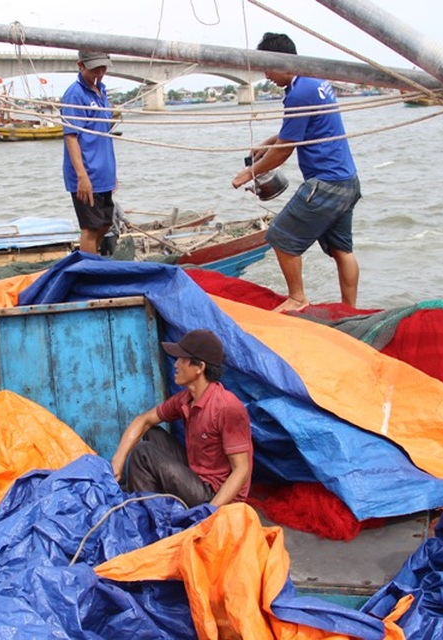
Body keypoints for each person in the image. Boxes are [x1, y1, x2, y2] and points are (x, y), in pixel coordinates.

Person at [232, 32, 362, 312]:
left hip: (326, 183)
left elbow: (285, 150)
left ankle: (297, 298)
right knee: (342, 251)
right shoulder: (314, 81)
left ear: (281, 61)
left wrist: (248, 174)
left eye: (267, 67)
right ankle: (351, 309)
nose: (266, 75)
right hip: (348, 180)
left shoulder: (299, 93)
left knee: (280, 237)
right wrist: (268, 142)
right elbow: (303, 129)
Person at [110, 329, 252, 508]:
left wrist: (209, 512)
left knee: (143, 452)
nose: (175, 365)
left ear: (199, 367)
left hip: (216, 494)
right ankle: (153, 505)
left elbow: (242, 470)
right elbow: (143, 420)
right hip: (195, 476)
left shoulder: (227, 407)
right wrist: (118, 461)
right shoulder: (186, 399)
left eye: (182, 359)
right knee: (151, 433)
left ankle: (150, 518)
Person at [61, 50, 118, 254]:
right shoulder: (75, 94)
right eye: (95, 68)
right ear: (81, 66)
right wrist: (82, 176)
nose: (100, 72)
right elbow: (71, 136)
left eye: (103, 68)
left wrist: (112, 175)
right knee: (90, 227)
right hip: (87, 173)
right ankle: (89, 269)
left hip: (104, 172)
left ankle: (91, 258)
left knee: (105, 223)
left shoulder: (101, 91)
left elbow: (104, 134)